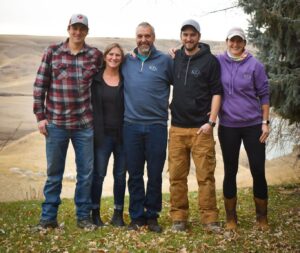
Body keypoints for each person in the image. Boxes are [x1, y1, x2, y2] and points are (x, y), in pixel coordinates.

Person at [33, 13, 103, 230]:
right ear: (68, 29)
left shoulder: (94, 55)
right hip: (56, 124)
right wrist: (40, 117)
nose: (78, 32)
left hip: (84, 125)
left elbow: (115, 65)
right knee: (54, 174)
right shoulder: (53, 52)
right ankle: (48, 218)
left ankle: (83, 217)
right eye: (75, 28)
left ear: (87, 32)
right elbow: (39, 86)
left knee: (85, 174)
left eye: (82, 28)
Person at [168, 19, 223, 233]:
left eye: (192, 35)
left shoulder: (210, 61)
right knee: (176, 176)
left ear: (199, 36)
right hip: (177, 128)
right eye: (185, 35)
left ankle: (210, 220)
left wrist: (211, 121)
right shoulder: (176, 58)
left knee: (205, 176)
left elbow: (217, 92)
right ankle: (179, 219)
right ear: (181, 37)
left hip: (202, 129)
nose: (188, 38)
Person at [122, 22, 173, 233]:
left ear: (154, 37)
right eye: (140, 36)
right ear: (136, 38)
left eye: (148, 36)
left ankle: (152, 216)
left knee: (154, 173)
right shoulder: (126, 61)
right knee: (134, 174)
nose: (144, 40)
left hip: (157, 126)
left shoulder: (165, 60)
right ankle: (137, 216)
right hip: (131, 126)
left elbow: (183, 82)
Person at [217, 27, 270, 231]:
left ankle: (262, 218)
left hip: (253, 126)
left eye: (239, 41)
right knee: (230, 171)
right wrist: (175, 51)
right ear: (227, 41)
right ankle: (231, 219)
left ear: (244, 43)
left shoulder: (255, 65)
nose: (235, 44)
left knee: (258, 170)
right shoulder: (219, 61)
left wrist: (265, 122)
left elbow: (264, 95)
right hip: (228, 126)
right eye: (232, 41)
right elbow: (198, 50)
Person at [90, 43, 126, 227]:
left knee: (120, 176)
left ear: (122, 58)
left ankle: (118, 214)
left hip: (123, 136)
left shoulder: (126, 78)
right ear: (105, 57)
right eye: (111, 54)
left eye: (118, 55)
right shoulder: (95, 80)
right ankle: (94, 213)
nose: (114, 58)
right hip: (102, 136)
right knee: (99, 175)